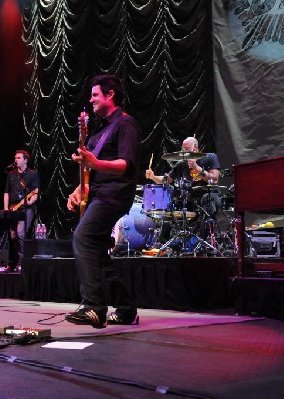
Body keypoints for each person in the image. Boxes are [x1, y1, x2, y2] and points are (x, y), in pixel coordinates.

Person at [65, 74, 141, 328]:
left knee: (83, 237)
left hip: (113, 195)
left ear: (110, 95)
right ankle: (126, 309)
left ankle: (94, 307)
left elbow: (125, 165)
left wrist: (94, 163)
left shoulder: (126, 124)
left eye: (95, 94)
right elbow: (91, 171)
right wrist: (78, 190)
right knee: (97, 251)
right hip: (99, 193)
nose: (91, 99)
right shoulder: (100, 132)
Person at [145, 136, 222, 242]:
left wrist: (196, 168)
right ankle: (166, 243)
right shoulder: (181, 164)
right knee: (170, 206)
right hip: (192, 199)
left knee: (207, 199)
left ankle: (199, 240)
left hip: (209, 196)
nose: (183, 152)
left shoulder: (210, 157)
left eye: (186, 149)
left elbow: (214, 179)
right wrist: (153, 176)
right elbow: (166, 180)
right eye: (182, 149)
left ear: (195, 147)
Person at [1, 149, 39, 272]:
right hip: (12, 208)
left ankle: (23, 262)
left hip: (26, 208)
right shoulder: (11, 174)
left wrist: (30, 201)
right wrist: (6, 208)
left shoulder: (33, 174)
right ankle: (19, 260)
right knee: (13, 236)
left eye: (18, 158)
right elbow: (6, 192)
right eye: (15, 158)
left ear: (25, 160)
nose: (16, 160)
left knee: (21, 233)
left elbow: (35, 192)